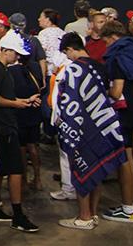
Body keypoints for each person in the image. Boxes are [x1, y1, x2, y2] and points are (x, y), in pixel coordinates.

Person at [53, 33, 127, 230]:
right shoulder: (99, 66)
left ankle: (83, 217)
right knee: (96, 171)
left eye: (66, 53)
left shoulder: (74, 69)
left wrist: (66, 126)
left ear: (70, 48)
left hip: (81, 127)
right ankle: (92, 214)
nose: (67, 57)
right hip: (100, 127)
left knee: (81, 169)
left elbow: (69, 101)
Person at [98, 19, 133, 223]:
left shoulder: (118, 57)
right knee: (128, 156)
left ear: (112, 37)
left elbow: (117, 90)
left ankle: (128, 208)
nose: (106, 46)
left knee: (124, 159)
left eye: (105, 41)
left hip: (121, 111)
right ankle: (129, 205)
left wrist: (103, 91)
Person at [0, 31, 41, 233]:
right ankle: (18, 214)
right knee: (16, 170)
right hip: (4, 125)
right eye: (15, 53)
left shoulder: (1, 69)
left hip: (3, 125)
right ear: (5, 50)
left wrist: (21, 102)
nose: (18, 57)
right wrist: (17, 104)